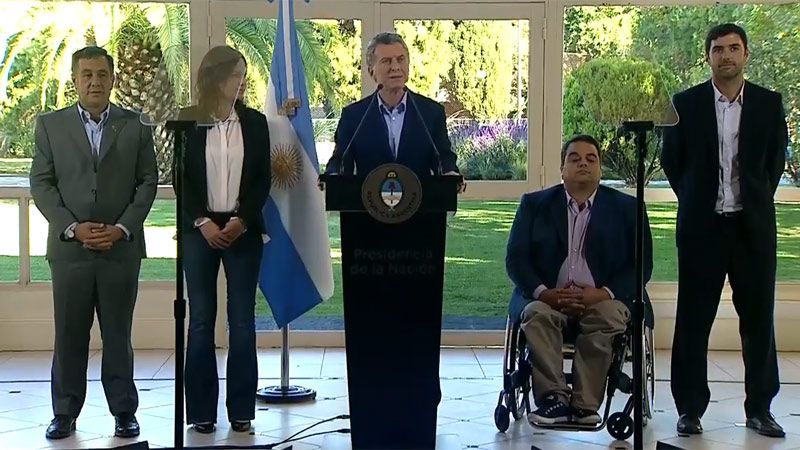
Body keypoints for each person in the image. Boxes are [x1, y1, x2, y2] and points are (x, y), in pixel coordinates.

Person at [662, 23, 788, 438]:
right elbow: (672, 162)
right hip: (702, 229)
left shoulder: (769, 104)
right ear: (708, 57)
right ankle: (689, 409)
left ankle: (760, 409)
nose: (726, 56)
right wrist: (697, 199)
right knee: (693, 320)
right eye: (718, 49)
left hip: (753, 229)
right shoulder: (685, 104)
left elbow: (773, 163)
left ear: (746, 54)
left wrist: (753, 198)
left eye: (734, 48)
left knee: (758, 321)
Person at [29, 46, 158, 440]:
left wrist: (122, 228)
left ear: (113, 79)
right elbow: (41, 183)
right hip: (71, 251)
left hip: (120, 250)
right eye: (86, 75)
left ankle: (124, 411)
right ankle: (64, 413)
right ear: (75, 80)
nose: (94, 82)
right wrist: (72, 227)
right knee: (69, 335)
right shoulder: (50, 125)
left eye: (102, 74)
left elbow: (147, 182)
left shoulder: (136, 125)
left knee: (118, 335)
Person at [506, 135, 653, 425]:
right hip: (549, 298)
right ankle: (554, 400)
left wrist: (602, 293)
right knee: (536, 314)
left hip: (604, 299)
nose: (583, 164)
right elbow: (516, 259)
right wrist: (544, 293)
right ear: (562, 169)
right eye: (574, 159)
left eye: (590, 159)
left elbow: (641, 265)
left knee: (607, 317)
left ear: (600, 169)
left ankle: (585, 406)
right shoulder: (534, 205)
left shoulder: (627, 208)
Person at [179, 45, 271, 434]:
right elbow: (181, 178)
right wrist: (202, 221)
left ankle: (241, 410)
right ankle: (201, 412)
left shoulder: (255, 122)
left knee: (242, 320)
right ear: (216, 78)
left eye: (244, 75)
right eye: (236, 75)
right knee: (201, 320)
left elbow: (262, 178)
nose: (242, 81)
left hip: (242, 230)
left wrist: (242, 220)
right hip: (200, 231)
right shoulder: (188, 120)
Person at [325, 32, 459, 178]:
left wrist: (450, 173)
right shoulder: (354, 116)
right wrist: (332, 175)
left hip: (418, 193)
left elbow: (444, 158)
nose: (395, 67)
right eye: (386, 61)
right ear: (371, 71)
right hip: (369, 193)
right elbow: (340, 160)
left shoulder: (431, 113)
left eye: (400, 59)